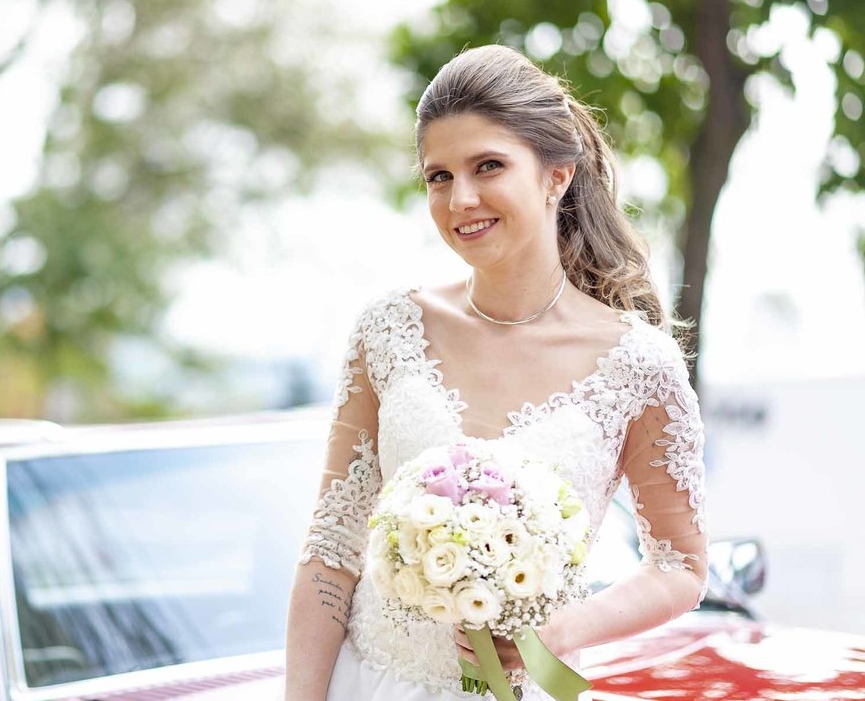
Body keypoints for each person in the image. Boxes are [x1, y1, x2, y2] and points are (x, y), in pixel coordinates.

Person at [283, 44, 708, 701]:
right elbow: (332, 553)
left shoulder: (639, 364)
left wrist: (560, 631)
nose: (462, 198)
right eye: (439, 176)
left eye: (488, 166)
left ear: (556, 174)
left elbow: (680, 566)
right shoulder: (389, 331)